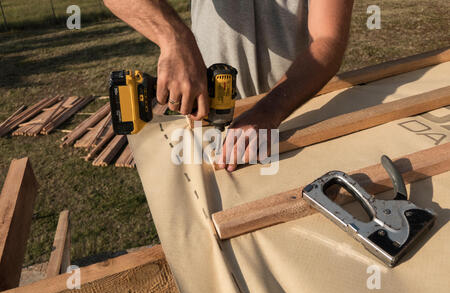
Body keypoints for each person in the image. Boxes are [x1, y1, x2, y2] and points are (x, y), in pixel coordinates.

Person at [104, 0, 354, 171]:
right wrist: (174, 38)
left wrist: (270, 109)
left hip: (294, 113)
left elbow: (327, 39)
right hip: (211, 121)